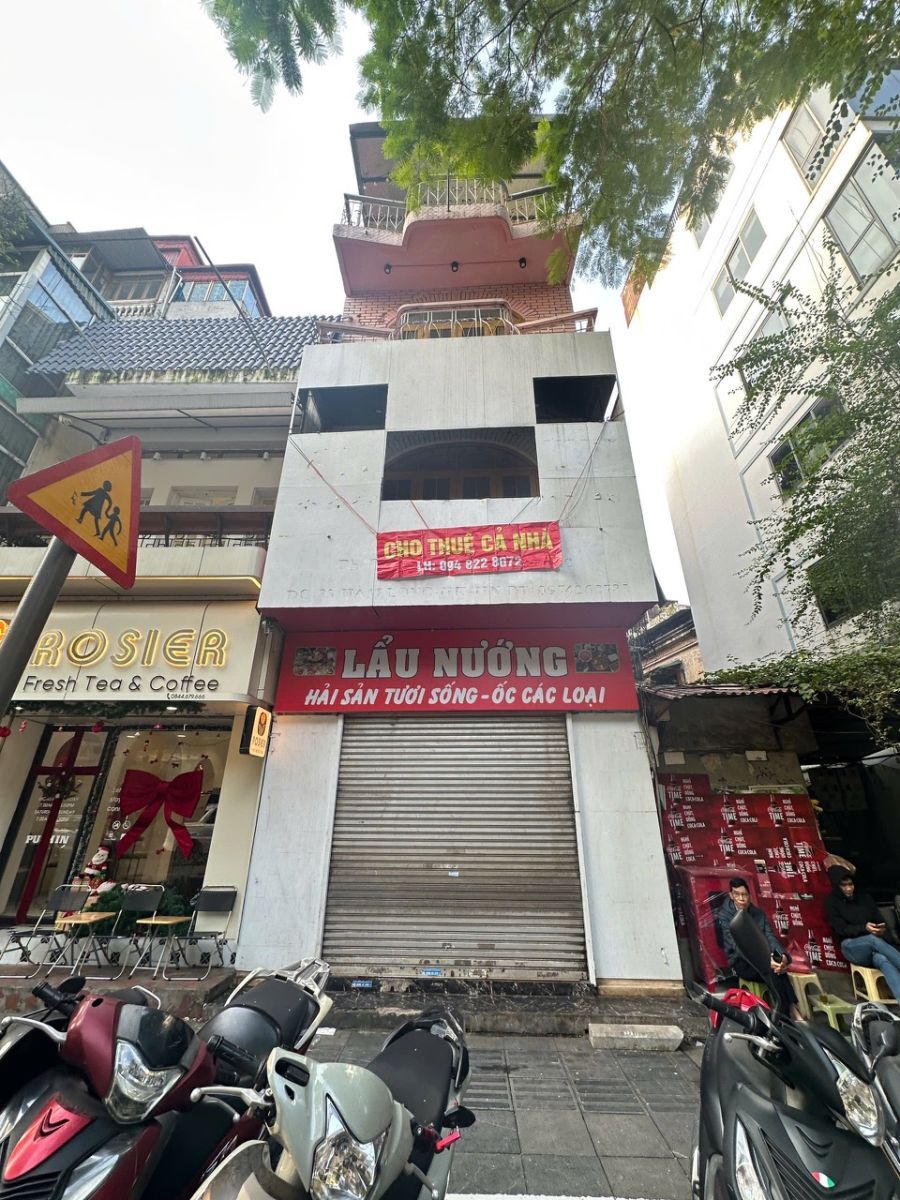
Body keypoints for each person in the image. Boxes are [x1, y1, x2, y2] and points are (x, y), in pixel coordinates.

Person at [717, 877, 800, 1017]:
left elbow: (770, 937)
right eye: (737, 894)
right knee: (773, 971)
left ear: (749, 896)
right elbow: (736, 947)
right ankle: (789, 1013)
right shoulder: (725, 915)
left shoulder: (758, 914)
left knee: (778, 967)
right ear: (731, 895)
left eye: (744, 895)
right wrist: (765, 961)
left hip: (763, 956)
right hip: (741, 961)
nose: (741, 899)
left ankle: (787, 1011)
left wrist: (783, 956)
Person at [824, 866, 900, 1001]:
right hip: (851, 946)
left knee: (882, 959)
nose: (849, 888)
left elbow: (879, 920)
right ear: (837, 886)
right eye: (844, 885)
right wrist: (864, 928)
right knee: (871, 939)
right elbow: (842, 929)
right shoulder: (831, 902)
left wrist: (881, 930)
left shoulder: (864, 898)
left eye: (850, 884)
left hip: (876, 944)